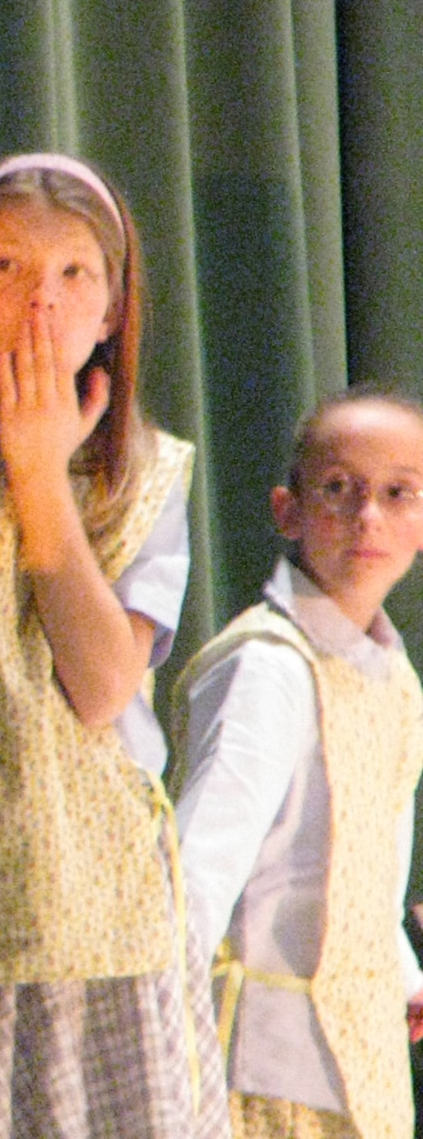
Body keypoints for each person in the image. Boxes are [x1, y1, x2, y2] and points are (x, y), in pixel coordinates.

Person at [0, 152, 228, 1136]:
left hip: (93, 917)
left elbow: (101, 687)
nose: (39, 307)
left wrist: (38, 478)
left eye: (72, 275)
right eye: (6, 270)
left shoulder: (142, 474)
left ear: (109, 310)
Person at [175, 390, 423, 1139]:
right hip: (267, 1074)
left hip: (363, 1066)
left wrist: (405, 979)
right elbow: (194, 880)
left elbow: (366, 887)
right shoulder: (268, 667)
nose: (367, 518)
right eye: (339, 490)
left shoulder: (392, 676)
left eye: (396, 492)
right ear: (288, 510)